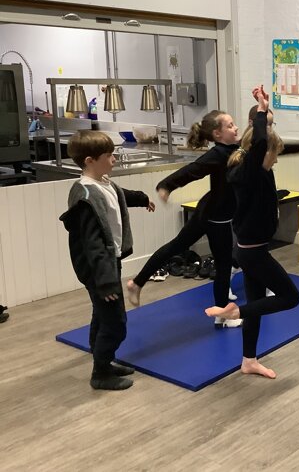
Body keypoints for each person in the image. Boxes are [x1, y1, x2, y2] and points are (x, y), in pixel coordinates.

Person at [205, 85, 299, 379]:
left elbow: (262, 143)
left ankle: (248, 360)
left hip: (250, 249)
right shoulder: (250, 170)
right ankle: (235, 312)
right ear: (262, 153)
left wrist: (266, 112)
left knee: (258, 305)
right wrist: (260, 108)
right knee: (291, 297)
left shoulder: (255, 169)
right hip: (253, 253)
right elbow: (260, 141)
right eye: (274, 155)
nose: (276, 160)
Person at [126, 110, 241, 328]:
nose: (236, 128)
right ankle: (222, 314)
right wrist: (166, 185)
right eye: (230, 125)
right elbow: (192, 170)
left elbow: (270, 147)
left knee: (179, 247)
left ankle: (137, 283)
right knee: (223, 265)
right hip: (216, 216)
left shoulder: (236, 149)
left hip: (209, 210)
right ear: (217, 134)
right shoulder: (218, 154)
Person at [59, 131, 155, 390]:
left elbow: (119, 194)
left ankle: (102, 359)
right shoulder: (85, 196)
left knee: (102, 315)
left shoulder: (102, 183)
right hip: (98, 268)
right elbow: (93, 245)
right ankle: (100, 373)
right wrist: (105, 281)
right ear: (90, 161)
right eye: (109, 156)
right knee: (116, 323)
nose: (114, 159)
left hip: (108, 262)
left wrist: (142, 199)